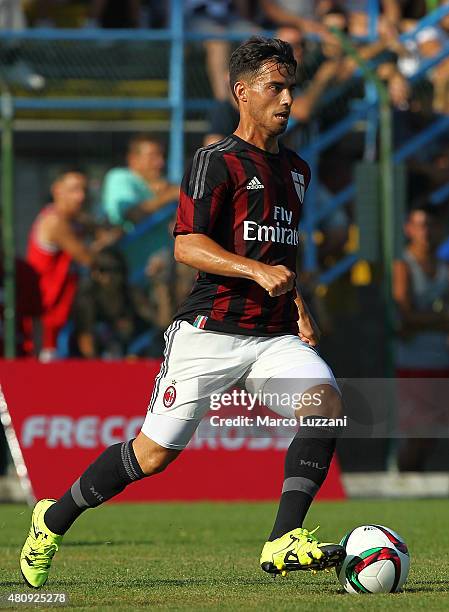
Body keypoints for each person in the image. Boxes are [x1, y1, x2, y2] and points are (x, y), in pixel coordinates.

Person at [20, 37, 345, 589]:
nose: (288, 99)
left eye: (291, 86)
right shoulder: (215, 161)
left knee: (327, 405)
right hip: (209, 333)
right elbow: (187, 245)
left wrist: (298, 305)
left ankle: (282, 540)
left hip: (271, 336)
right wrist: (254, 271)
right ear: (242, 92)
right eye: (276, 86)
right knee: (151, 456)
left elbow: (279, 255)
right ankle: (50, 520)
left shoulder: (296, 170)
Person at [26, 170, 105, 362]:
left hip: (65, 314)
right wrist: (103, 243)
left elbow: (99, 232)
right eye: (73, 190)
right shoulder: (55, 221)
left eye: (83, 190)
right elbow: (88, 258)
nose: (81, 197)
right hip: (46, 320)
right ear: (57, 190)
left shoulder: (74, 220)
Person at [393, 205, 449, 470]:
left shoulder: (444, 267)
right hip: (413, 361)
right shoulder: (403, 264)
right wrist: (441, 320)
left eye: (429, 224)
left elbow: (417, 318)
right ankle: (404, 483)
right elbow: (405, 317)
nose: (425, 231)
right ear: (408, 229)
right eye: (419, 224)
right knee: (416, 433)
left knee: (433, 434)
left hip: (441, 359)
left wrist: (424, 320)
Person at [72, 246, 155, 359]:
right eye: (103, 270)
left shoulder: (131, 293)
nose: (110, 277)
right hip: (96, 358)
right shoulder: (88, 297)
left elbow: (151, 321)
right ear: (95, 273)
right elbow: (85, 337)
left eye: (115, 270)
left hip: (129, 352)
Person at [100, 134, 179, 233]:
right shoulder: (120, 177)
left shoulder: (158, 185)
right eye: (152, 157)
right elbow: (132, 215)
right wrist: (170, 195)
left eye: (162, 156)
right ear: (133, 159)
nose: (160, 162)